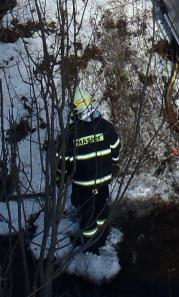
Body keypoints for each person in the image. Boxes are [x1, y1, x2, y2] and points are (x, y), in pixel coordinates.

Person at [55, 88, 121, 253]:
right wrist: (112, 165)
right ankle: (103, 234)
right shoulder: (106, 126)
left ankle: (91, 246)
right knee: (101, 207)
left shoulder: (70, 133)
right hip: (104, 180)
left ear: (76, 108)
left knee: (86, 214)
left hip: (83, 184)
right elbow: (116, 148)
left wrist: (60, 179)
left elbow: (62, 161)